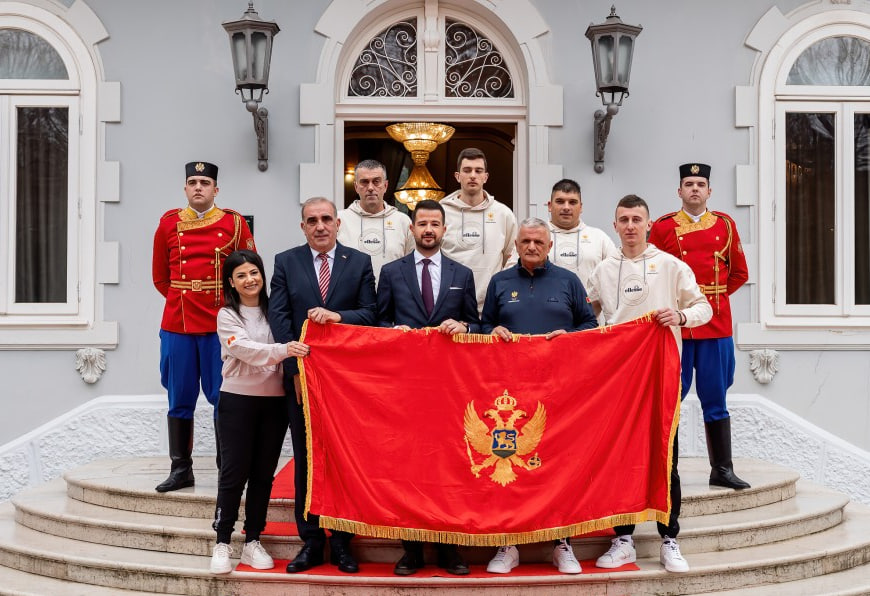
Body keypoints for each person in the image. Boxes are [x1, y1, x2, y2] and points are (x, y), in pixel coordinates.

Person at [586, 194, 713, 574]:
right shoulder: (603, 270)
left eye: (636, 219)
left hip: (660, 375)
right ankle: (622, 538)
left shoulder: (671, 266)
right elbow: (588, 315)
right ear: (615, 225)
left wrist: (682, 315)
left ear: (647, 223)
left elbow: (704, 307)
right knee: (621, 459)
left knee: (664, 457)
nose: (629, 226)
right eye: (623, 219)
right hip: (617, 378)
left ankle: (669, 538)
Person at [480, 217, 598, 575]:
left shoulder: (569, 281)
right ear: (516, 245)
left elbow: (590, 327)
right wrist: (492, 329)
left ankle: (562, 543)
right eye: (526, 241)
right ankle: (508, 543)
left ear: (550, 247)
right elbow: (483, 324)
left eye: (539, 242)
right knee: (510, 465)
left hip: (558, 392)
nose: (532, 247)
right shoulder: (500, 282)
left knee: (558, 467)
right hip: (510, 393)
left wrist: (570, 335)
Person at [268, 197, 377, 574]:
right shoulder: (286, 262)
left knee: (344, 460)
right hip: (302, 379)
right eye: (311, 220)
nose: (319, 226)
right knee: (307, 459)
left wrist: (338, 316)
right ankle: (311, 541)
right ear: (302, 227)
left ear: (338, 223)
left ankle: (343, 542)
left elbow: (370, 315)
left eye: (326, 219)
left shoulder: (359, 263)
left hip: (346, 383)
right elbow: (278, 316)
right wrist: (294, 368)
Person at [376, 199, 480, 576]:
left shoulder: (462, 274)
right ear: (412, 228)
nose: (429, 229)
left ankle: (450, 548)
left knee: (450, 467)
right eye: (422, 223)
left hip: (451, 390)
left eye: (435, 223)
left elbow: (478, 324)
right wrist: (393, 332)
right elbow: (379, 321)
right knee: (410, 468)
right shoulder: (391, 272)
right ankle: (412, 551)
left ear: (444, 229)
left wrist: (466, 327)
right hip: (406, 388)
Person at [152, 161, 255, 493]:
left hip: (218, 324)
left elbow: (249, 272)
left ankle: (227, 468)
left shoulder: (234, 224)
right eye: (193, 182)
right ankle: (181, 468)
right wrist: (182, 297)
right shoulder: (168, 224)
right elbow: (160, 277)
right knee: (179, 397)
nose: (198, 187)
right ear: (185, 188)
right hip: (178, 323)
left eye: (205, 182)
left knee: (221, 396)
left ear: (215, 190)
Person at [648, 163, 751, 490]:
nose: (695, 188)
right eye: (689, 183)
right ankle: (665, 472)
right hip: (676, 327)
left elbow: (739, 273)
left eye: (700, 183)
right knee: (670, 398)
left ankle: (722, 469)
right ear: (679, 191)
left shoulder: (725, 224)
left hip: (715, 326)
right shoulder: (663, 228)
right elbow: (652, 272)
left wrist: (712, 300)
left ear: (709, 191)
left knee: (716, 397)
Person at [209, 250, 308, 574]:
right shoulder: (227, 314)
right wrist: (282, 350)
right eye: (241, 275)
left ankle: (252, 540)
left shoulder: (273, 311)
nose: (249, 279)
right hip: (237, 401)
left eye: (254, 272)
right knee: (234, 473)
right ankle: (222, 542)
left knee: (264, 475)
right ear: (232, 283)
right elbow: (242, 349)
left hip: (273, 403)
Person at [441, 147, 518, 310]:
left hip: (492, 305)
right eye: (467, 170)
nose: (473, 175)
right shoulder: (441, 213)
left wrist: (501, 289)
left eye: (478, 170)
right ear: (457, 176)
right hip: (449, 306)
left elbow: (511, 257)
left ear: (486, 177)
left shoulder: (503, 214)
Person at [337, 159, 414, 285]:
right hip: (351, 301)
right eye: (364, 182)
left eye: (376, 182)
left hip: (393, 299)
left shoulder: (402, 221)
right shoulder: (339, 220)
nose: (371, 188)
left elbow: (412, 264)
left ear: (386, 186)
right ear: (356, 186)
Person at [545, 178, 616, 289]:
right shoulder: (534, 237)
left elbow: (616, 276)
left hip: (588, 306)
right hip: (546, 306)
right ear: (549, 206)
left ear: (581, 207)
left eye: (572, 202)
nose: (566, 207)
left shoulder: (599, 238)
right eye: (560, 201)